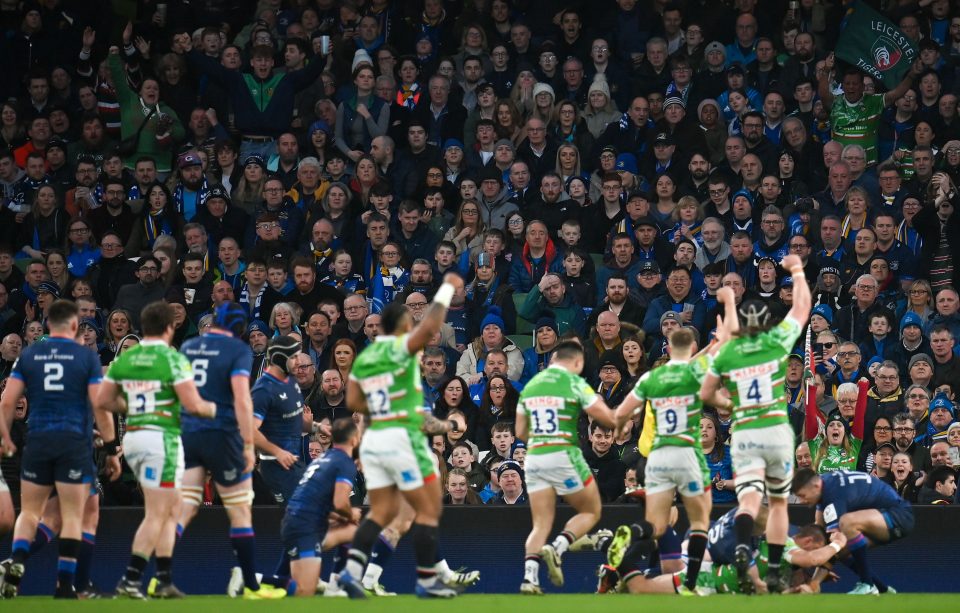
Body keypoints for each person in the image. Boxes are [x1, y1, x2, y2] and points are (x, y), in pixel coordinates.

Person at [341, 272, 480, 598]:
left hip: (374, 442)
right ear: (402, 325)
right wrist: (446, 288)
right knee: (429, 508)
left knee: (383, 514)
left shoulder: (366, 357)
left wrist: (440, 425)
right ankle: (428, 580)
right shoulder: (401, 348)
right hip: (400, 440)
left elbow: (353, 401)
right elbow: (432, 328)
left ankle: (352, 573)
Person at [699, 253, 811, 594]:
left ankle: (744, 546)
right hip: (777, 430)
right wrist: (797, 271)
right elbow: (802, 308)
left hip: (745, 432)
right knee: (777, 503)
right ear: (764, 322)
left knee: (748, 502)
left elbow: (706, 392)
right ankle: (775, 565)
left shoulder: (728, 352)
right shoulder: (775, 342)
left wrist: (726, 402)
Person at [95, 301, 217, 598]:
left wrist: (134, 406)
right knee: (158, 512)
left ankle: (164, 580)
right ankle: (131, 578)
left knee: (172, 507)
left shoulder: (125, 360)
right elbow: (193, 405)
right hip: (159, 439)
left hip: (136, 437)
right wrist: (220, 409)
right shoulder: (174, 359)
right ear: (170, 327)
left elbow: (103, 400)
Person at [0, 300, 117, 599]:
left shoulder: (28, 354)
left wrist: (5, 436)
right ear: (75, 325)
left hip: (38, 440)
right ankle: (66, 585)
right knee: (74, 515)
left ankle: (17, 560)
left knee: (30, 511)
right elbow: (99, 404)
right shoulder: (85, 357)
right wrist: (111, 443)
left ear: (48, 324)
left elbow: (6, 401)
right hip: (72, 444)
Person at [609, 324, 726, 595]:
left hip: (657, 456)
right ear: (693, 348)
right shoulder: (696, 372)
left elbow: (623, 411)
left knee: (659, 523)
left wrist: (620, 427)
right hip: (686, 452)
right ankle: (690, 582)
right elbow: (712, 367)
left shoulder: (651, 378)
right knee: (699, 522)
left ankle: (634, 533)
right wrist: (718, 341)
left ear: (668, 349)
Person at [177, 303, 284, 599]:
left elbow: (181, 392)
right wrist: (248, 445)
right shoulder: (238, 351)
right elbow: (241, 399)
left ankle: (154, 574)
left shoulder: (189, 346)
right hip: (222, 435)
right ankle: (250, 585)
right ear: (239, 328)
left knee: (185, 508)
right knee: (239, 512)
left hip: (190, 433)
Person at [515, 340, 617, 594]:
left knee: (540, 524)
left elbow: (519, 431)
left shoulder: (531, 386)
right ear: (578, 363)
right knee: (591, 510)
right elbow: (604, 418)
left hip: (535, 456)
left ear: (552, 360)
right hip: (563, 454)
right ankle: (558, 547)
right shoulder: (574, 383)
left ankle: (530, 579)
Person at [271, 418, 361, 596]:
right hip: (306, 527)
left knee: (351, 530)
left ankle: (335, 586)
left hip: (296, 521)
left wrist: (341, 517)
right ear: (354, 440)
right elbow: (340, 503)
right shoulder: (345, 462)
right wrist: (352, 513)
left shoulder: (324, 458)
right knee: (305, 589)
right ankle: (251, 578)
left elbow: (317, 500)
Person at [792, 468, 914, 594]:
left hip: (899, 515)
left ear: (815, 486)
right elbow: (823, 533)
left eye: (802, 495)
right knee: (841, 550)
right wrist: (814, 582)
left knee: (846, 523)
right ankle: (883, 590)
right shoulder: (824, 486)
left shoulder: (834, 492)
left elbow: (832, 538)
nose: (802, 501)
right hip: (881, 518)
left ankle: (867, 584)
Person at [252, 335, 311, 505]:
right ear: (280, 358)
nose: (298, 362)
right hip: (274, 466)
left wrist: (316, 427)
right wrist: (277, 452)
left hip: (294, 463)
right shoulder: (263, 390)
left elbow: (292, 420)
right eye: (293, 357)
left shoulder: (290, 382)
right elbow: (249, 430)